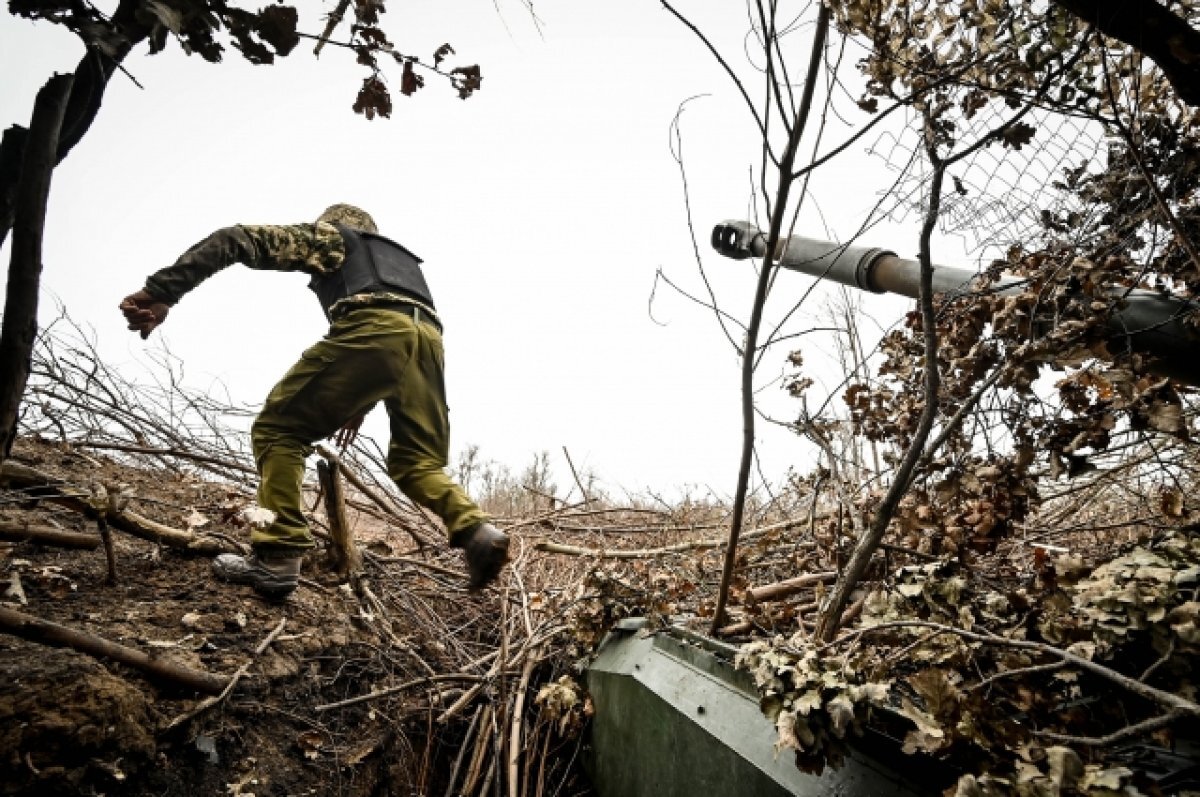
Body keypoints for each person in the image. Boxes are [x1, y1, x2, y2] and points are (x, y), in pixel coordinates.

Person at [118, 203, 509, 599]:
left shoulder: (334, 238)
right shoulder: (400, 265)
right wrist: (359, 400)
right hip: (428, 341)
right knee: (417, 462)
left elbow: (234, 240)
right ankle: (476, 530)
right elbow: (401, 330)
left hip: (375, 330)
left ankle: (277, 555)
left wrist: (162, 292)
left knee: (279, 431)